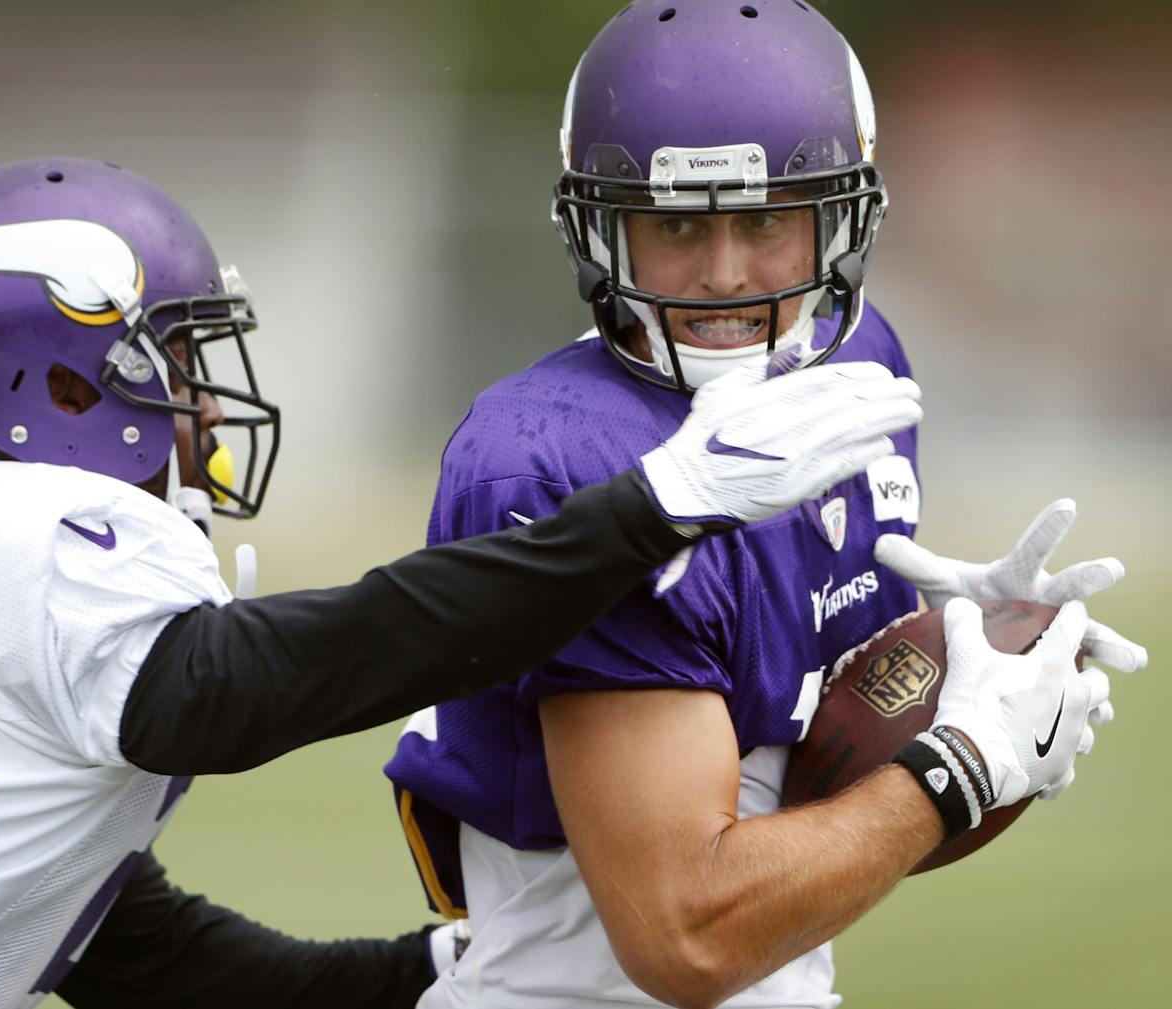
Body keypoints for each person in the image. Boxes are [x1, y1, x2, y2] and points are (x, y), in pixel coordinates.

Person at [0, 156, 923, 1009]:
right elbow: (253, 684)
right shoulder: (31, 532)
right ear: (58, 387)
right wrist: (651, 508)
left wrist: (466, 974)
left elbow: (147, 957)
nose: (206, 408)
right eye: (179, 362)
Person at [384, 3, 1146, 1008]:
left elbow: (800, 722)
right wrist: (959, 763)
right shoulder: (558, 459)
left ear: (842, 222)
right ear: (595, 225)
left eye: (764, 221)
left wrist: (966, 644)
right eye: (675, 224)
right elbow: (684, 934)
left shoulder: (856, 371)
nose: (723, 275)